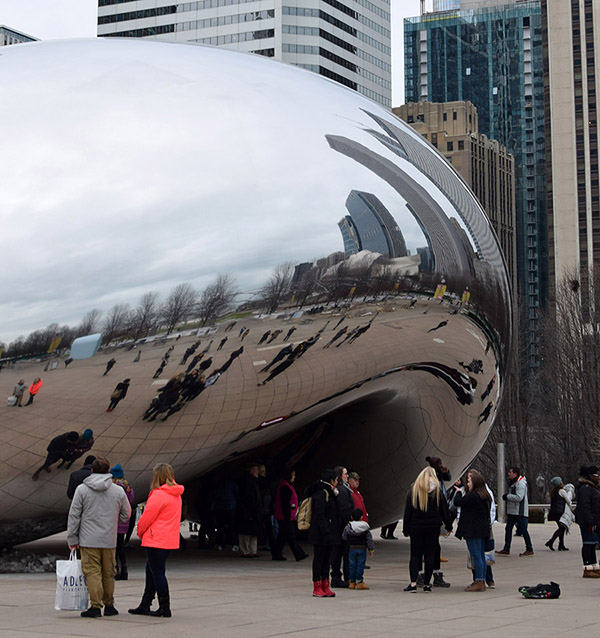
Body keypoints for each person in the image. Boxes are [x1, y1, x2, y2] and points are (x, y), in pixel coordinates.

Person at [67, 457, 131, 618]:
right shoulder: (118, 490)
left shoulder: (82, 489)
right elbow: (127, 514)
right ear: (108, 471)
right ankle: (109, 605)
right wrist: (115, 519)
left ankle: (96, 606)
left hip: (88, 539)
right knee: (109, 573)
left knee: (92, 572)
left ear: (92, 471)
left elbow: (74, 516)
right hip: (109, 539)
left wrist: (72, 539)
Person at [128, 463, 184, 617]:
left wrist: (139, 531)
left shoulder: (158, 494)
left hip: (155, 538)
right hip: (168, 538)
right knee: (151, 571)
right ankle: (145, 603)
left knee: (157, 573)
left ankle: (164, 607)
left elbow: (147, 517)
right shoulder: (176, 494)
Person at [402, 467, 452, 593]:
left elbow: (407, 512)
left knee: (415, 555)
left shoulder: (414, 490)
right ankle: (427, 585)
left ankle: (413, 583)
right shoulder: (437, 491)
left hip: (416, 526)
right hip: (433, 527)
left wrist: (405, 528)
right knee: (430, 555)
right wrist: (448, 525)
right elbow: (444, 510)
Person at [454, 470, 492, 592]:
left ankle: (479, 580)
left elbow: (457, 502)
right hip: (482, 530)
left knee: (476, 556)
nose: (467, 484)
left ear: (475, 483)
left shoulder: (473, 496)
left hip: (473, 530)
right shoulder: (485, 495)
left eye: (469, 481)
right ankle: (482, 580)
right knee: (480, 555)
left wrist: (459, 492)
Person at [305, 468, 339, 598]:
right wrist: (326, 532)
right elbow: (319, 515)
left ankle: (326, 585)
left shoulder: (330, 493)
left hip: (328, 533)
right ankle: (317, 586)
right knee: (319, 559)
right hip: (320, 534)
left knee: (326, 560)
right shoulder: (321, 494)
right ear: (331, 481)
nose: (337, 482)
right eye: (336, 480)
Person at [497, 466, 534, 556]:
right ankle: (506, 548)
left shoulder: (520, 484)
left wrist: (507, 496)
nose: (509, 474)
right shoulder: (514, 483)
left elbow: (519, 497)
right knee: (508, 529)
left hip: (519, 512)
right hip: (513, 511)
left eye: (510, 472)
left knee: (523, 530)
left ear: (515, 474)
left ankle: (529, 548)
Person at [274, 469, 308, 561]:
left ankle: (276, 553)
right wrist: (288, 517)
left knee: (282, 536)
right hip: (285, 516)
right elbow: (285, 504)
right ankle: (298, 553)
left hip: (285, 515)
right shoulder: (285, 486)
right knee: (290, 536)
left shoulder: (286, 485)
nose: (294, 477)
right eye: (293, 475)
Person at [574, 465, 600, 577]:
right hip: (587, 521)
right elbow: (584, 506)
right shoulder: (585, 488)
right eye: (596, 475)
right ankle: (587, 568)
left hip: (593, 520)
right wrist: (590, 521)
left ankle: (594, 566)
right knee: (587, 543)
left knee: (592, 543)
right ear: (590, 476)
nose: (598, 477)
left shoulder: (592, 487)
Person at [330, 466, 353, 588]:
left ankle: (337, 575)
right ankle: (341, 577)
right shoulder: (343, 491)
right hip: (341, 528)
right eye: (345, 474)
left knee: (337, 553)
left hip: (337, 527)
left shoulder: (339, 490)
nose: (347, 476)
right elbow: (344, 510)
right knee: (342, 553)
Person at [111, 464, 134, 581]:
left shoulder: (115, 488)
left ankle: (116, 570)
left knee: (114, 547)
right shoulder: (128, 488)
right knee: (121, 546)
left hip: (116, 520)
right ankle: (124, 570)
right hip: (125, 521)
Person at [342, 508, 374, 590]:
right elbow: (369, 539)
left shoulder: (349, 527)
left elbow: (344, 536)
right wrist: (371, 549)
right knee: (360, 565)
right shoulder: (365, 527)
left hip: (352, 548)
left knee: (351, 565)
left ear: (351, 517)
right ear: (362, 517)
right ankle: (359, 582)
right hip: (362, 548)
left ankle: (351, 582)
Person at [237, 462, 262, 558]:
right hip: (247, 511)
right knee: (246, 533)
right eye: (256, 470)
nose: (258, 472)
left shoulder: (254, 481)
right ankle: (245, 551)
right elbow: (246, 497)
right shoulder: (247, 481)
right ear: (250, 470)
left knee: (253, 533)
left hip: (253, 511)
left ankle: (252, 550)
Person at [545, 476, 574, 552]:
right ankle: (551, 542)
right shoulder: (562, 491)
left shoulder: (553, 491)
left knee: (561, 528)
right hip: (560, 512)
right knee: (562, 528)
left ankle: (561, 545)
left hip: (554, 512)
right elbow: (568, 501)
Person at [213, 476, 239, 551]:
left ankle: (220, 544)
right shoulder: (232, 484)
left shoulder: (218, 485)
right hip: (230, 507)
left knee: (221, 527)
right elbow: (237, 494)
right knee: (231, 527)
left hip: (220, 507)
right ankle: (233, 544)